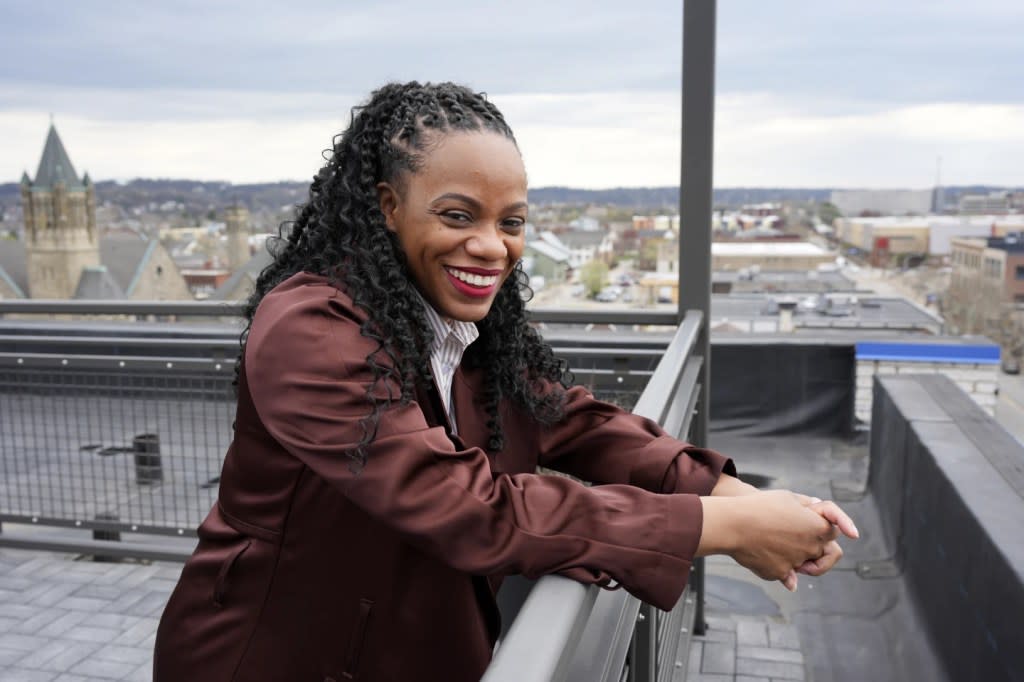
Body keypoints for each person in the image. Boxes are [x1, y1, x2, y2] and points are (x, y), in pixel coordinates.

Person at [153, 81, 856, 681]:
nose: (491, 246)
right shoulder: (310, 330)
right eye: (458, 215)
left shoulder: (460, 325)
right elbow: (473, 508)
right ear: (388, 206)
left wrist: (728, 491)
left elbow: (572, 420)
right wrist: (726, 527)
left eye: (510, 221)